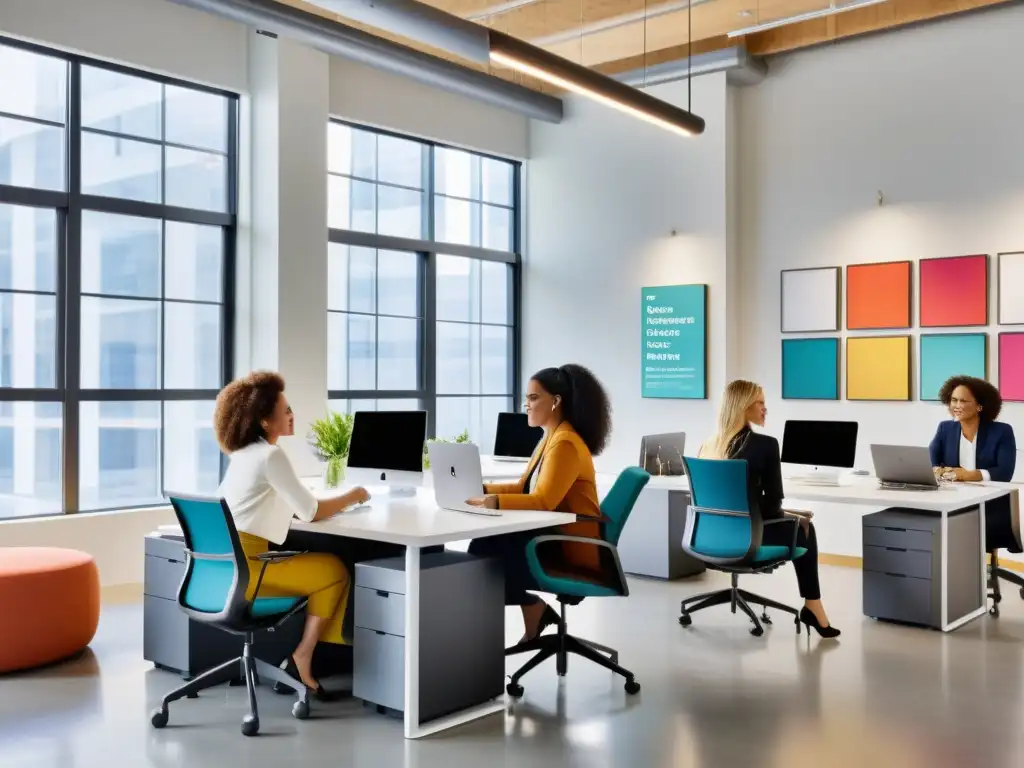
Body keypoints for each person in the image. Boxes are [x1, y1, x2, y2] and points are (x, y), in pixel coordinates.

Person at [214, 371, 370, 698]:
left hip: (227, 566)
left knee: (325, 564)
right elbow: (311, 512)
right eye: (285, 411)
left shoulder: (243, 454)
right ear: (264, 421)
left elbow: (282, 502)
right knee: (336, 570)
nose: (291, 415)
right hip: (252, 567)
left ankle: (312, 655)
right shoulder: (270, 455)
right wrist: (354, 495)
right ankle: (305, 655)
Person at [465, 364, 611, 643]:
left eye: (533, 398)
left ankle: (532, 607)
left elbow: (544, 500)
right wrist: (482, 490)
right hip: (553, 537)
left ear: (556, 402)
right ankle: (533, 609)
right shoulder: (551, 437)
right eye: (526, 398)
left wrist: (494, 502)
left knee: (482, 553)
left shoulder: (565, 442)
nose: (526, 405)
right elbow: (525, 486)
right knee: (484, 548)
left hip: (568, 547)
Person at [700, 379, 840, 639]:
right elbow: (774, 505)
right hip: (747, 538)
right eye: (761, 403)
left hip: (709, 539)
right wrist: (791, 517)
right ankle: (813, 607)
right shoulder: (765, 445)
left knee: (798, 521)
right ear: (744, 406)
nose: (766, 409)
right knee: (805, 528)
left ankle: (813, 608)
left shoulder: (708, 446)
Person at [929, 375, 1018, 552]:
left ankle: (972, 573)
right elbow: (931, 464)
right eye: (954, 400)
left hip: (990, 504)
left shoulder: (1001, 431)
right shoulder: (945, 428)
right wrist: (938, 471)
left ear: (979, 406)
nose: (957, 406)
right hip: (952, 500)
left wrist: (969, 475)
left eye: (963, 401)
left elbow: (1005, 473)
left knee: (960, 527)